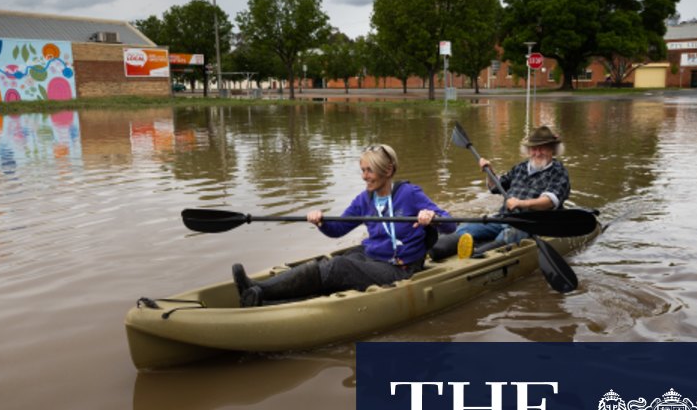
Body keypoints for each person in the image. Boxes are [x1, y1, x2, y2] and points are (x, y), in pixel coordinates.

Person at [233, 143, 455, 307]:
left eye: (369, 170)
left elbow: (450, 226)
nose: (364, 177)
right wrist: (320, 221)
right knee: (328, 263)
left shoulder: (409, 194)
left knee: (339, 267)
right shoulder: (364, 199)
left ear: (387, 171)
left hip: (399, 268)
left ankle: (260, 290)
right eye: (362, 170)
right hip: (370, 257)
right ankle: (260, 296)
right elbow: (338, 229)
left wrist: (431, 216)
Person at [431, 125, 571, 259]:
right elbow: (496, 187)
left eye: (543, 148)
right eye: (534, 149)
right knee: (467, 228)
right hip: (503, 217)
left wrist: (521, 203)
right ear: (529, 150)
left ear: (553, 149)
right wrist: (490, 171)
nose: (538, 153)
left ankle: (479, 253)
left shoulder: (559, 172)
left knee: (509, 235)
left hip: (531, 224)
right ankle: (437, 249)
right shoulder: (520, 168)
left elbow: (549, 202)